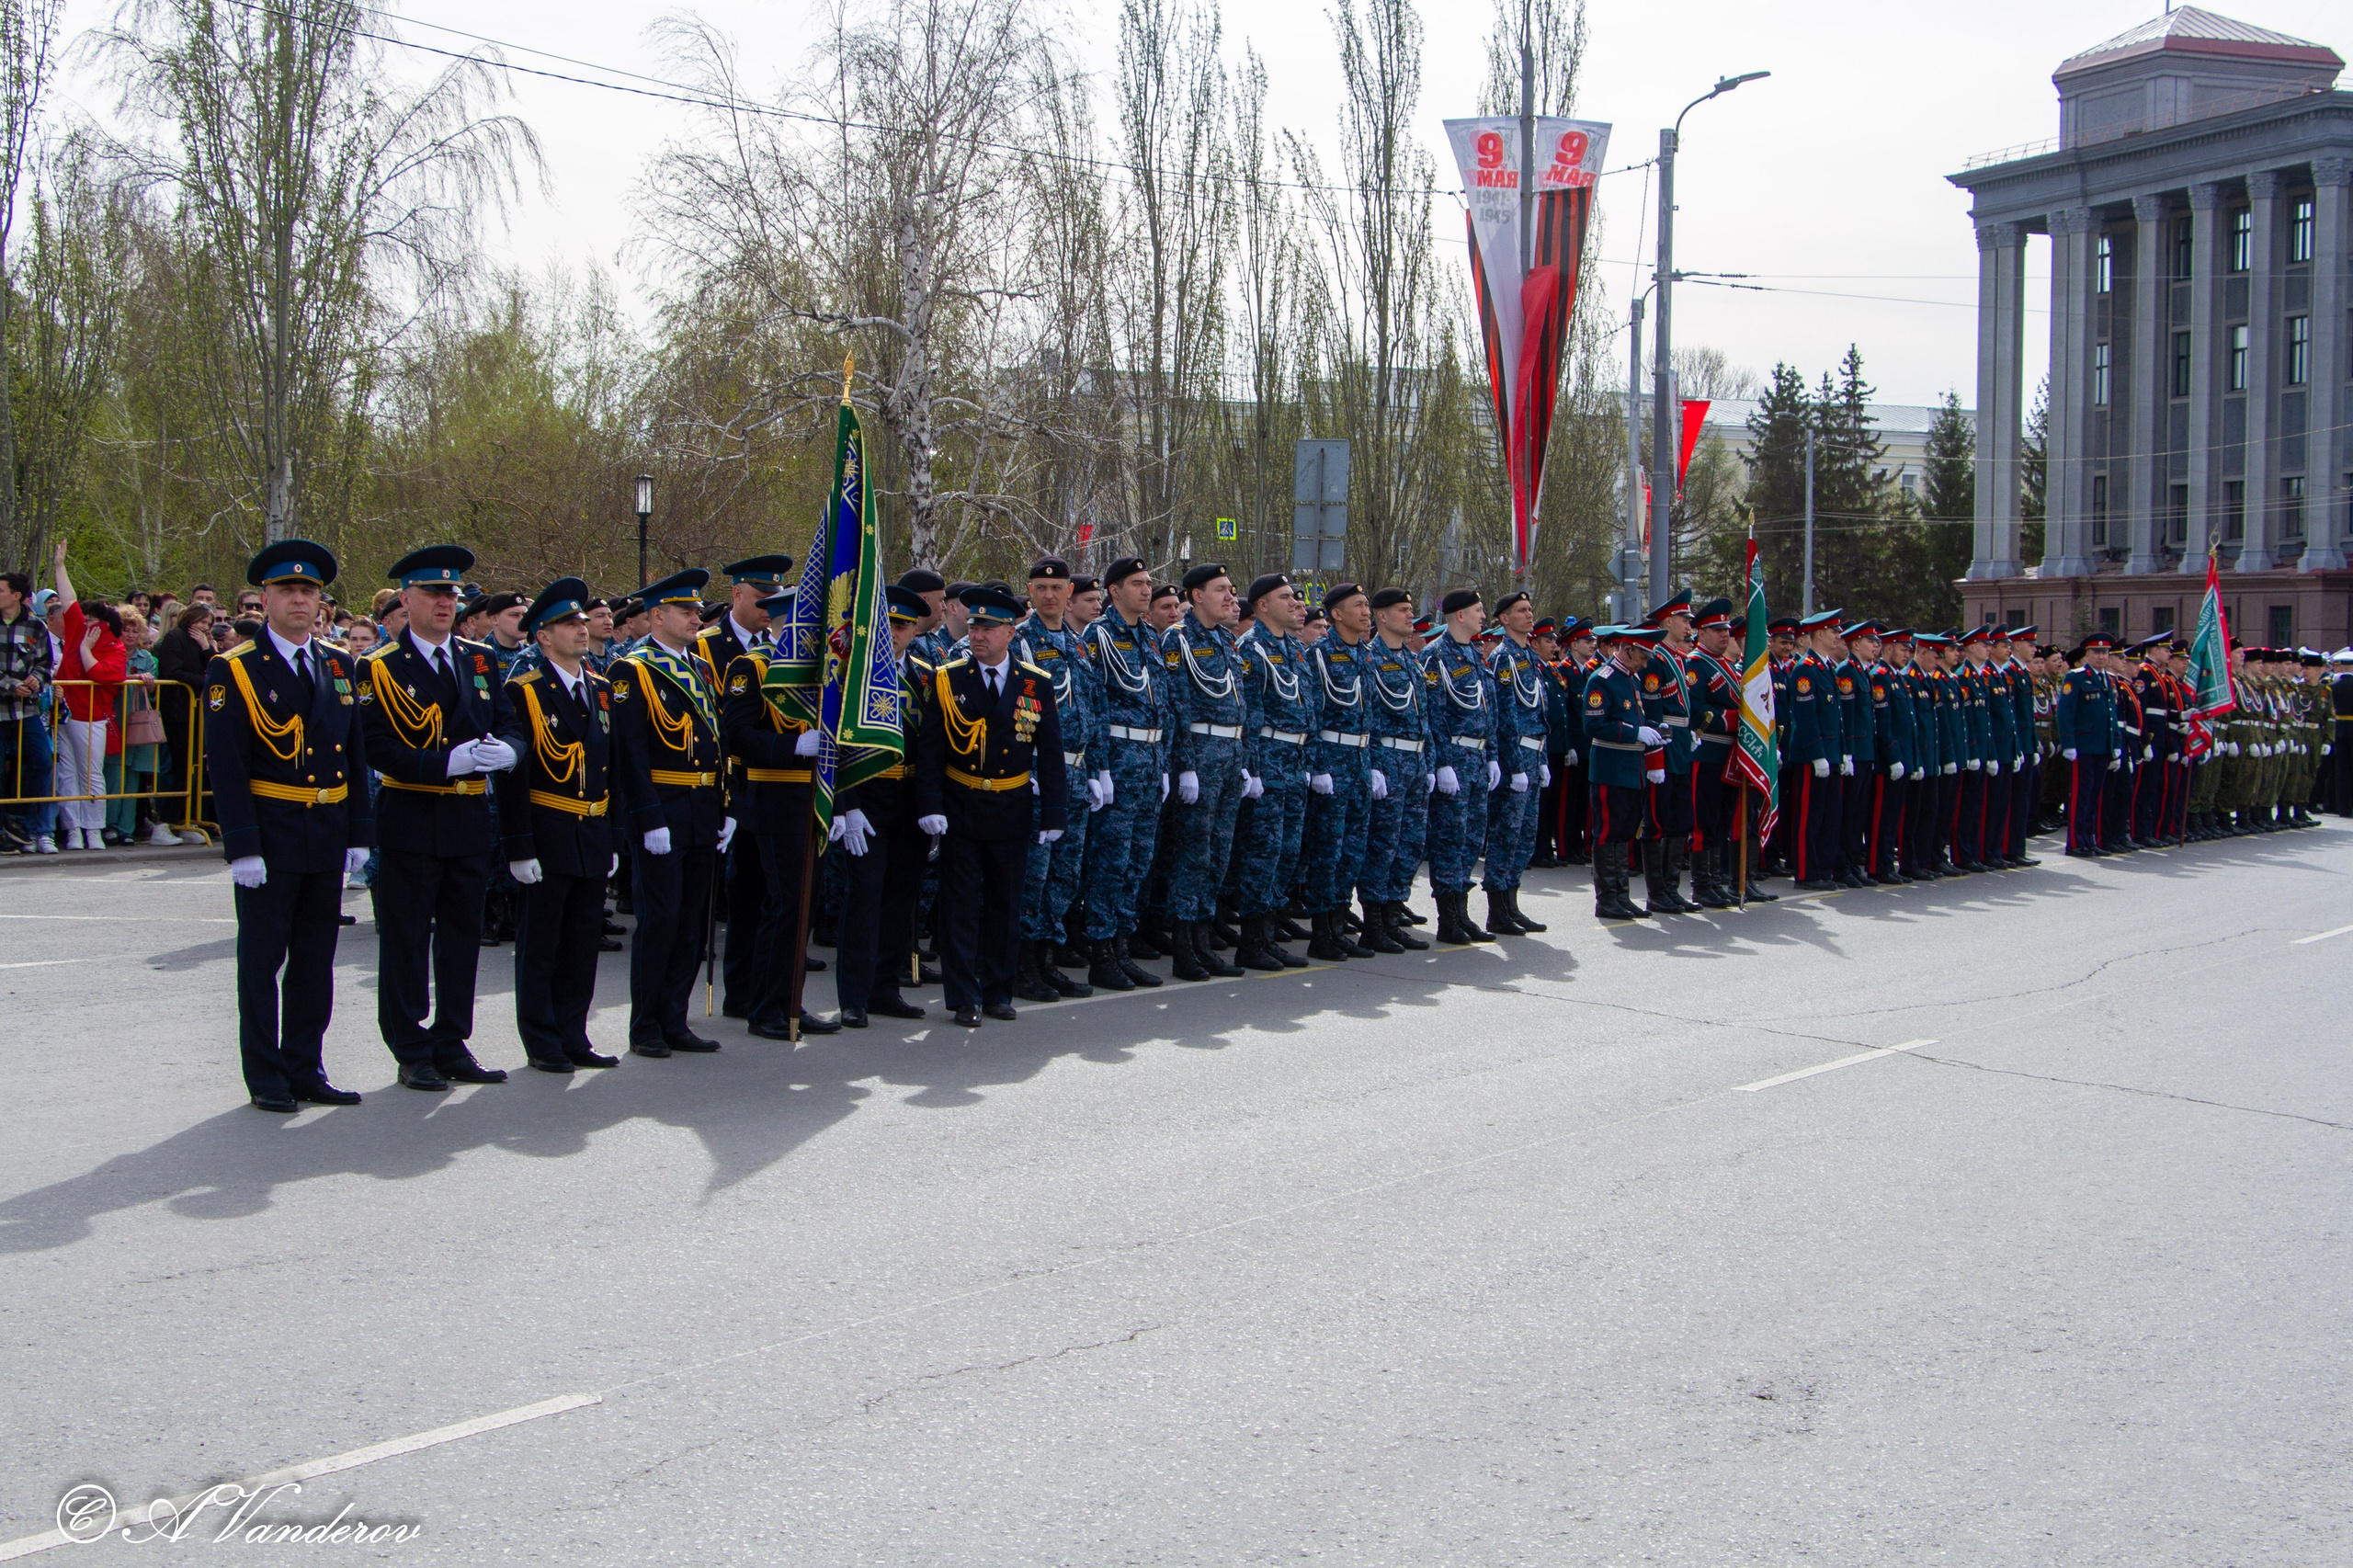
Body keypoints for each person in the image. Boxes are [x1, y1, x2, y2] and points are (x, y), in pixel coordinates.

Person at [204, 539, 373, 1112]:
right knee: (261, 960)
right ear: (265, 599)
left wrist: (358, 832)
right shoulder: (235, 668)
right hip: (272, 830)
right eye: (287, 590)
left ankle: (306, 1064)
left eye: (309, 591)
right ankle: (266, 1074)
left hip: (326, 828)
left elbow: (353, 754)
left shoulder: (339, 663)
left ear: (321, 601)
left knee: (314, 957)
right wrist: (241, 846)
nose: (300, 600)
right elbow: (226, 766)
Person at [358, 545, 517, 1091]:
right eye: (433, 593)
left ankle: (452, 1039)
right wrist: (441, 762)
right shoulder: (377, 665)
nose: (446, 602)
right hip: (411, 811)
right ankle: (410, 1045)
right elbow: (374, 745)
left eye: (452, 594)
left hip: (469, 814)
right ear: (406, 599)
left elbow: (507, 719)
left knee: (461, 936)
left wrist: (511, 750)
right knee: (405, 937)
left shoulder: (479, 659)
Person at [913, 583, 1068, 1027]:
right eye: (975, 626)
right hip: (961, 803)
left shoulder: (1035, 684)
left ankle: (998, 991)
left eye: (989, 627)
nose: (978, 635)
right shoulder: (948, 679)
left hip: (1012, 805)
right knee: (960, 905)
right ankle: (964, 997)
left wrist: (1055, 812)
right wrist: (930, 803)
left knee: (1005, 904)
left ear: (1011, 632)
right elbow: (931, 749)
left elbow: (1051, 752)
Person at [492, 578, 620, 1073]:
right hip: (546, 831)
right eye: (569, 624)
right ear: (543, 636)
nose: (581, 630)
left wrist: (612, 836)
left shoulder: (602, 689)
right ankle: (542, 1038)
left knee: (581, 943)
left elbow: (613, 770)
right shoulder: (523, 690)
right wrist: (519, 847)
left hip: (591, 831)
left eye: (581, 622)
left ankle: (574, 1032)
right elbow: (513, 776)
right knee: (541, 943)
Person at [611, 570, 731, 1056]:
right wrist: (647, 816)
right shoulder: (633, 669)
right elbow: (630, 751)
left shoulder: (701, 668)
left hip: (703, 807)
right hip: (663, 810)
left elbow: (716, 742)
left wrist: (727, 804)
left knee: (691, 922)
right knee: (659, 919)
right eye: (685, 612)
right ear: (656, 616)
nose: (695, 619)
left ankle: (675, 1019)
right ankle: (645, 1026)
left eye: (697, 611)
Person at [717, 585, 839, 1041]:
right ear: (779, 623)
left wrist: (839, 803)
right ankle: (768, 1006)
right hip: (771, 798)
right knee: (785, 902)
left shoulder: (823, 671)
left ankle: (784, 998)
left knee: (800, 904)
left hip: (812, 798)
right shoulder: (754, 667)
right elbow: (738, 734)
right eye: (804, 623)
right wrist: (791, 746)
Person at [825, 585, 934, 1028]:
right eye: (886, 624)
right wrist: (845, 805)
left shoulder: (927, 675)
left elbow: (932, 746)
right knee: (864, 898)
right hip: (865, 799)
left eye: (903, 625)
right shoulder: (850, 672)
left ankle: (885, 989)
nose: (894, 633)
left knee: (900, 899)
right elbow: (835, 743)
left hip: (909, 800)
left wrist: (932, 804)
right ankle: (853, 996)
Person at [695, 555, 794, 1018]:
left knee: (768, 890)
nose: (765, 608)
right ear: (736, 594)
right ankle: (741, 989)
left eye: (774, 601)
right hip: (726, 777)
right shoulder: (706, 647)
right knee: (744, 891)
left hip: (770, 781)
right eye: (760, 599)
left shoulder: (789, 654)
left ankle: (766, 990)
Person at [1078, 557, 1171, 993]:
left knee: (1138, 862)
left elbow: (1164, 704)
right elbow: (1093, 705)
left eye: (1148, 582)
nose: (1146, 590)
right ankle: (1100, 952)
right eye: (1137, 583)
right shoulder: (1098, 636)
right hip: (1119, 759)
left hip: (1150, 762)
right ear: (1114, 591)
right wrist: (1099, 766)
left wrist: (1167, 763)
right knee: (1109, 864)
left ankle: (1122, 948)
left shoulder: (1149, 637)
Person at [1011, 556, 1101, 1001]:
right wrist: (1026, 768)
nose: (1049, 595)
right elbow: (1019, 712)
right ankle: (1022, 964)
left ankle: (1048, 958)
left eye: (1057, 588)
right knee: (1035, 874)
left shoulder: (1080, 643)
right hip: (1040, 773)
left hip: (1078, 771)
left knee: (1066, 874)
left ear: (1069, 592)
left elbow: (1093, 707)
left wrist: (1098, 768)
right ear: (1030, 592)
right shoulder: (1021, 642)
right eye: (1040, 588)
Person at [1158, 564, 1254, 980]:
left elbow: (1239, 706)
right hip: (1200, 757)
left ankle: (1203, 937)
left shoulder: (1225, 642)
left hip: (1229, 756)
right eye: (1221, 590)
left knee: (1218, 854)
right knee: (1193, 855)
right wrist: (1184, 767)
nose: (1230, 597)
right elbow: (1176, 708)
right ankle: (1184, 946)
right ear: (1196, 596)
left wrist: (1244, 760)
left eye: (1231, 590)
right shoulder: (1178, 640)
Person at [1235, 573, 1315, 968]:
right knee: (1262, 853)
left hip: (1294, 762)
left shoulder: (1294, 649)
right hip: (1268, 762)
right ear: (1263, 605)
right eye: (1285, 597)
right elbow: (1249, 716)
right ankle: (1252, 939)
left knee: (1287, 852)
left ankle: (1270, 932)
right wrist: (1250, 770)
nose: (1294, 603)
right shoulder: (1251, 648)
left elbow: (1308, 710)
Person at [1300, 583, 1382, 957]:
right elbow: (1312, 714)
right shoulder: (1318, 654)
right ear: (1336, 613)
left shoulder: (1365, 655)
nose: (1367, 612)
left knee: (1352, 851)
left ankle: (1338, 924)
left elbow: (1373, 715)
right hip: (1332, 760)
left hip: (1361, 761)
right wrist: (1317, 766)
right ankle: (1321, 932)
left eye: (1367, 605)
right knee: (1327, 850)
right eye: (1359, 606)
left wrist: (1375, 763)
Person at [1424, 588, 1497, 944]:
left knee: (1471, 839)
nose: (1484, 616)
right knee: (1449, 840)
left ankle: (1463, 911)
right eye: (1478, 610)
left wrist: (1493, 755)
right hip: (1454, 758)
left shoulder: (1475, 653)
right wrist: (1442, 763)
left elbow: (1488, 710)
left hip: (1478, 759)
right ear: (1459, 616)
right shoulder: (1436, 655)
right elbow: (1433, 713)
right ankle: (1447, 917)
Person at [1585, 625, 1666, 920]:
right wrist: (1635, 732)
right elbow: (1594, 725)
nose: (1645, 665)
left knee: (1624, 832)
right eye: (1642, 658)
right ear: (1628, 649)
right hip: (1611, 768)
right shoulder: (1603, 679)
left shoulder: (1630, 679)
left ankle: (1621, 896)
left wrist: (1653, 732)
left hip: (1632, 769)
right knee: (1608, 832)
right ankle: (1607, 899)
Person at [1480, 590, 1550, 934]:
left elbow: (1539, 710)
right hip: (1515, 756)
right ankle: (1497, 909)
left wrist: (1543, 758)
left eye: (1529, 609)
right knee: (1506, 833)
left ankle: (1512, 902)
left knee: (1526, 835)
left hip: (1534, 751)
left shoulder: (1530, 656)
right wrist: (1515, 765)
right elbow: (1504, 715)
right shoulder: (1503, 658)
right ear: (1504, 619)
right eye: (1521, 610)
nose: (1528, 614)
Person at [0, 568, 55, 854]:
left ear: (17, 596)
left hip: (27, 711)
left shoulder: (36, 627)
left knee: (41, 763)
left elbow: (45, 663)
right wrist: (11, 685)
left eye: (1, 590)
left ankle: (28, 824)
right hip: (1, 708)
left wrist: (36, 680)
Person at [2055, 633, 2119, 857]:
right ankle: (2075, 842)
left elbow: (2112, 715)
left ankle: (2089, 839)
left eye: (2105, 653)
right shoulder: (2076, 677)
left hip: (2102, 746)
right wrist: (2069, 743)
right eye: (2096, 653)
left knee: (2094, 795)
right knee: (2081, 795)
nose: (2101, 657)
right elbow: (2065, 713)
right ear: (2087, 655)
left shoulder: (2108, 679)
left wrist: (2116, 745)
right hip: (2083, 746)